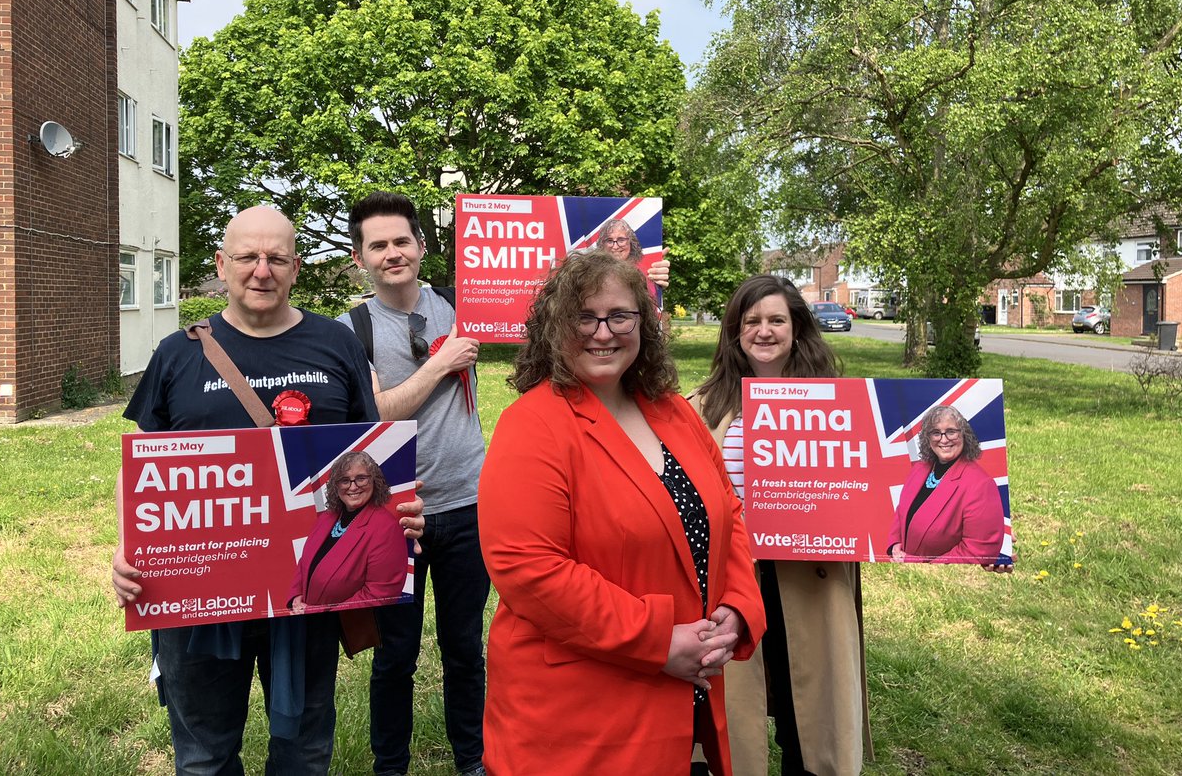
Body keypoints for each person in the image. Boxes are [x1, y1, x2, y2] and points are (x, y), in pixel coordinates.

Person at [109, 205, 425, 775]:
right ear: (221, 265)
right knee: (204, 757)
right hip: (198, 591)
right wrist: (127, 547)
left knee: (304, 753)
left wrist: (399, 509)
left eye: (276, 258)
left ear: (296, 267)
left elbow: (374, 456)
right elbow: (139, 468)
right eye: (248, 257)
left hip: (306, 587)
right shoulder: (176, 354)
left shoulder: (336, 343)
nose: (262, 270)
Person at [477, 250, 766, 776]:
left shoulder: (673, 410)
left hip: (686, 697)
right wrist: (657, 641)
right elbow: (528, 569)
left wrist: (740, 606)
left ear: (643, 324)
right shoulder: (533, 425)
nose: (602, 332)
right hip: (580, 720)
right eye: (583, 317)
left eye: (619, 316)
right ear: (554, 327)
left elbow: (729, 511)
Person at [690, 274, 869, 776]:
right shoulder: (701, 406)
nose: (763, 331)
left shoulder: (841, 404)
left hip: (809, 580)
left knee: (806, 720)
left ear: (796, 329)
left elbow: (879, 495)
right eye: (752, 321)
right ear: (735, 332)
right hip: (733, 580)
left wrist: (971, 545)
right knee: (732, 718)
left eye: (776, 320)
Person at [341, 191, 489, 776]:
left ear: (422, 248)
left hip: (469, 504)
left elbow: (552, 298)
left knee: (465, 651)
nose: (392, 253)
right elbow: (380, 413)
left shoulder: (462, 305)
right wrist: (440, 364)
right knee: (394, 656)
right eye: (377, 245)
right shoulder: (351, 329)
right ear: (360, 259)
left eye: (401, 241)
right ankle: (390, 766)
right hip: (393, 513)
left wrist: (642, 276)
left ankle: (472, 761)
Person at [289, 450, 408, 613]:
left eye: (361, 478)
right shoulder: (327, 517)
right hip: (306, 616)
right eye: (345, 480)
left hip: (347, 623)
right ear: (335, 485)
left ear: (375, 481)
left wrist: (321, 612)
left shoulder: (386, 528)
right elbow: (305, 562)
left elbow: (381, 593)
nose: (353, 486)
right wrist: (296, 596)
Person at [887, 405, 1006, 565]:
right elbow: (902, 510)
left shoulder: (980, 485)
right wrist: (895, 544)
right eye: (936, 433)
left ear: (964, 434)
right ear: (927, 438)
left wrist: (917, 563)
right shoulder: (919, 469)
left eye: (951, 431)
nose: (943, 439)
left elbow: (979, 551)